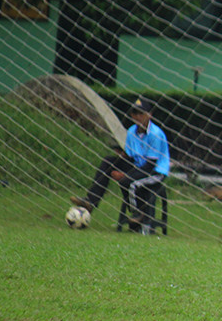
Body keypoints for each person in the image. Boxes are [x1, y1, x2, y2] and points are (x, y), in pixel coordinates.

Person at [71, 97, 170, 234]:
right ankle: (91, 201)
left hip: (155, 171)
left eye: (141, 113)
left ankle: (138, 215)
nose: (137, 117)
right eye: (134, 113)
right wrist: (120, 159)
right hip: (138, 166)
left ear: (149, 115)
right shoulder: (131, 131)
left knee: (129, 182)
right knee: (108, 162)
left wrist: (126, 175)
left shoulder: (155, 134)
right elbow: (131, 157)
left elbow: (149, 166)